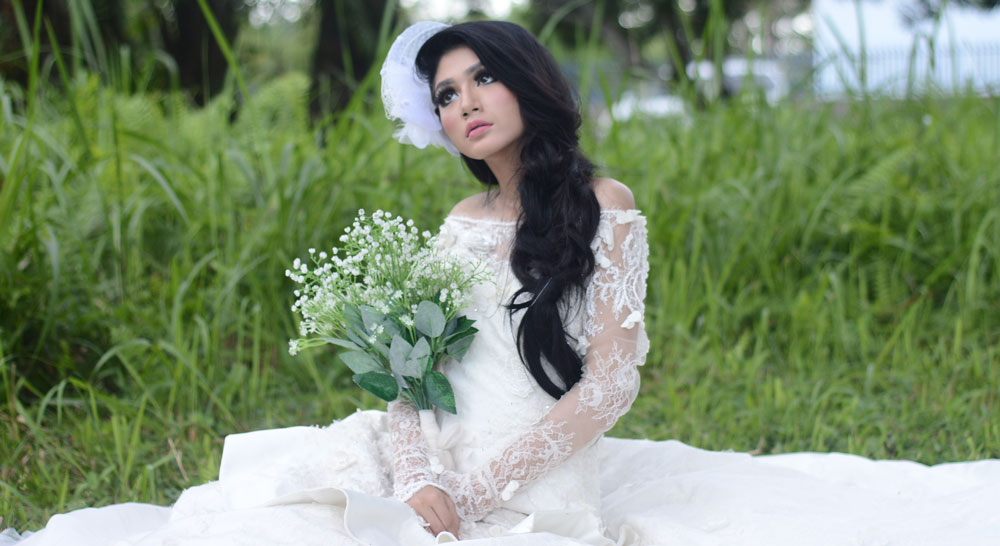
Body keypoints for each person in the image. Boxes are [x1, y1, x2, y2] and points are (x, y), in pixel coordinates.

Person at [5, 19, 1000, 546]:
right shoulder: (456, 224)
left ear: (527, 81)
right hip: (441, 447)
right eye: (445, 94)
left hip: (535, 460)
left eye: (482, 77)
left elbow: (610, 382)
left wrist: (482, 487)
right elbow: (411, 369)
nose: (465, 101)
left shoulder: (603, 202)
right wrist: (429, 472)